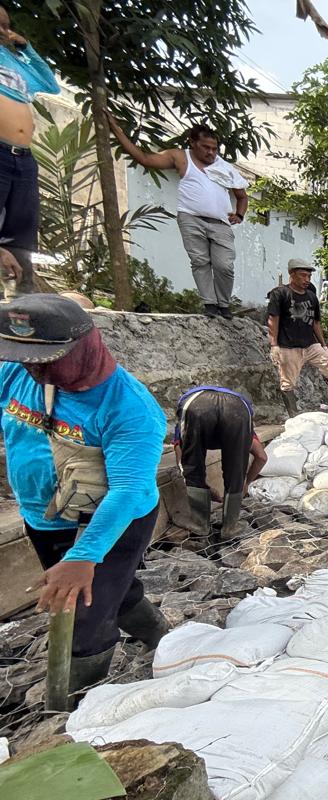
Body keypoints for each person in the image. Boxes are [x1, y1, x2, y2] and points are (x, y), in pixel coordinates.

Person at [0, 295, 168, 696]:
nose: (34, 369)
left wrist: (82, 556)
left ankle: (74, 710)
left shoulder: (130, 408)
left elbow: (127, 491)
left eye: (47, 360)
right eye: (26, 357)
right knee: (114, 589)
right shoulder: (18, 373)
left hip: (114, 519)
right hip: (44, 515)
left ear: (87, 344)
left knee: (80, 615)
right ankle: (161, 636)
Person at [108, 118, 249, 318]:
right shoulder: (181, 157)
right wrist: (117, 130)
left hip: (220, 222)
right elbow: (145, 159)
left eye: (214, 148)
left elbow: (242, 196)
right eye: (205, 147)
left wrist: (240, 215)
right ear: (192, 142)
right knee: (200, 261)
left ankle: (223, 304)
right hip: (190, 218)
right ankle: (210, 304)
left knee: (224, 265)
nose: (210, 152)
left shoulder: (225, 167)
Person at [0, 6, 58, 293]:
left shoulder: (15, 61)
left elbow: (50, 84)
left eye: (6, 25)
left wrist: (27, 48)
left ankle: (20, 302)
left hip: (23, 157)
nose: (3, 31)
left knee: (21, 230)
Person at [267, 259, 328, 416]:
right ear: (292, 274)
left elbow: (316, 323)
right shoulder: (280, 294)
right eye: (303, 276)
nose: (306, 280)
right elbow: (273, 319)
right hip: (289, 347)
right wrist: (274, 345)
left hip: (311, 345)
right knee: (287, 383)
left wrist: (323, 345)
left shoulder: (311, 297)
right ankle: (294, 416)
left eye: (309, 276)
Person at [173, 386, 267, 538]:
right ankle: (230, 527)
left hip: (197, 406)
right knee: (236, 467)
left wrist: (201, 487)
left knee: (192, 462)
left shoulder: (185, 417)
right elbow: (262, 457)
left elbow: (183, 461)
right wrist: (245, 483)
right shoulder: (245, 422)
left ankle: (200, 524)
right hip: (237, 409)